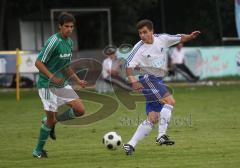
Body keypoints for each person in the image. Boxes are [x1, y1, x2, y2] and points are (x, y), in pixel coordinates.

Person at [123, 19, 200, 155]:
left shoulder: (162, 39)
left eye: (145, 32)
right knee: (170, 101)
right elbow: (128, 66)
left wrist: (190, 36)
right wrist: (134, 82)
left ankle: (130, 144)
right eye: (140, 33)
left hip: (157, 80)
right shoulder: (138, 48)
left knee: (153, 117)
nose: (142, 35)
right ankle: (161, 136)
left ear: (152, 31)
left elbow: (178, 37)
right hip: (148, 79)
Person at [33, 12, 87, 158]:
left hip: (61, 84)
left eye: (71, 27)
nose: (69, 29)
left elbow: (66, 67)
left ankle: (51, 120)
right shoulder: (53, 41)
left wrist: (78, 80)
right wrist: (52, 77)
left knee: (80, 110)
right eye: (66, 26)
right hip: (47, 85)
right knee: (51, 120)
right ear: (60, 27)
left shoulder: (69, 42)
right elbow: (38, 62)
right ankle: (38, 151)